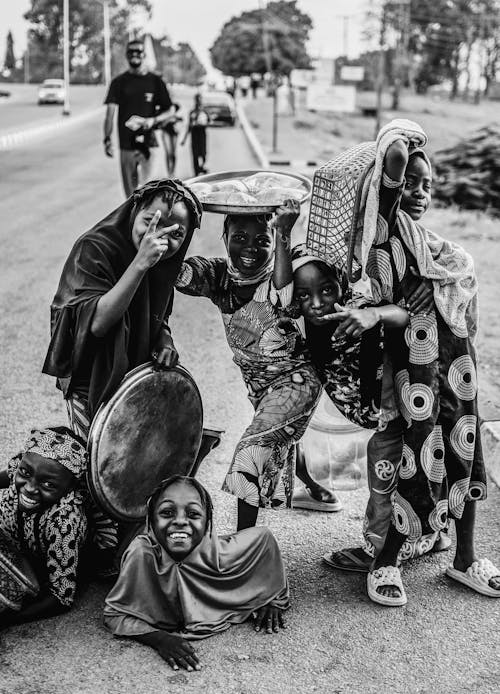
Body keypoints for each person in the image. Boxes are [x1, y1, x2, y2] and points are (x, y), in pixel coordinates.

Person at [325, 120, 498, 605]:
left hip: (456, 365)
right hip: (413, 372)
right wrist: (406, 140)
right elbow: (394, 157)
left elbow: (454, 283)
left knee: (466, 451)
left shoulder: (429, 243)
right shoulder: (386, 232)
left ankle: (465, 560)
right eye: (412, 183)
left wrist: (437, 286)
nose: (420, 191)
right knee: (417, 459)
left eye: (429, 184)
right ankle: (385, 562)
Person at [42, 179, 202, 554]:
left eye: (176, 234)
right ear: (133, 211)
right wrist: (139, 263)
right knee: (97, 465)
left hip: (135, 383)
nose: (158, 236)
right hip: (92, 377)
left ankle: (121, 541)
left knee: (136, 459)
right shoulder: (93, 249)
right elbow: (95, 323)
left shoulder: (165, 260)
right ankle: (86, 544)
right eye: (149, 220)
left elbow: (156, 315)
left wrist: (165, 341)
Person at [176, 200, 339, 531]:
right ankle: (309, 482)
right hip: (258, 387)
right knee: (277, 434)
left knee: (254, 447)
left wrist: (283, 234)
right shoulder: (219, 276)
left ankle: (242, 543)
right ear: (224, 238)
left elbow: (282, 292)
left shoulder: (287, 275)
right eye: (239, 238)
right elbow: (179, 275)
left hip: (298, 381)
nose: (249, 248)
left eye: (261, 240)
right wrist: (179, 230)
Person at [103, 475, 289, 671]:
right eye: (167, 512)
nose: (180, 521)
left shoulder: (222, 557)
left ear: (208, 524)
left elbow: (264, 539)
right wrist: (160, 639)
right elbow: (115, 613)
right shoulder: (143, 555)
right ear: (151, 521)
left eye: (193, 514)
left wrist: (272, 597)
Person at [0, 427, 87, 628]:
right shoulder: (27, 468)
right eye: (25, 472)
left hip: (38, 569)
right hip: (13, 546)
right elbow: (13, 472)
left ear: (70, 488)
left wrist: (6, 621)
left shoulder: (63, 521)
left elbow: (61, 598)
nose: (29, 488)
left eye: (48, 484)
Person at [103, 38, 174, 197]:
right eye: (131, 52)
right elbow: (110, 114)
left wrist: (153, 120)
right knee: (131, 196)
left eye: (138, 52)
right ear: (127, 56)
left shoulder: (155, 82)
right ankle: (133, 221)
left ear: (144, 55)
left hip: (150, 143)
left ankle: (147, 220)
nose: (135, 55)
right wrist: (107, 139)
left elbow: (170, 110)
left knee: (148, 191)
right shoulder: (118, 83)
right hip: (126, 145)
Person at [181, 94, 210, 176]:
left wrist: (203, 123)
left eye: (200, 99)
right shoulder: (192, 112)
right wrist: (184, 139)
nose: (199, 101)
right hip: (194, 134)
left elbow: (209, 122)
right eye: (197, 99)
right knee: (195, 154)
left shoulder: (204, 112)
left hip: (202, 134)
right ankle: (196, 171)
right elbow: (189, 126)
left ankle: (201, 167)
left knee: (203, 153)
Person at [160, 102, 182, 176]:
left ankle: (173, 171)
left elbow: (180, 126)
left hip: (174, 134)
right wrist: (168, 119)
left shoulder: (177, 117)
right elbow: (161, 125)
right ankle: (169, 172)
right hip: (166, 132)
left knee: (173, 153)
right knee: (168, 153)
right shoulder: (165, 116)